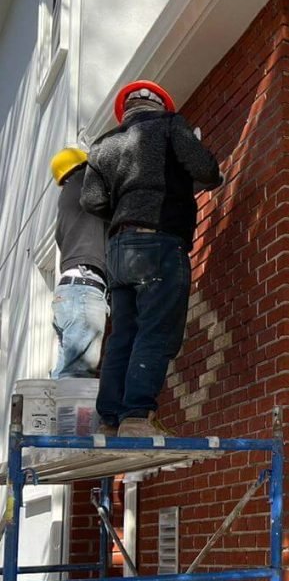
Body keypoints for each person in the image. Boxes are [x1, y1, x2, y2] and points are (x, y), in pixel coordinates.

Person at [80, 80, 222, 437]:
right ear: (161, 105)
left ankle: (110, 420)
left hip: (118, 249)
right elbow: (205, 170)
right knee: (157, 330)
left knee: (123, 334)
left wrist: (126, 201)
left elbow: (92, 201)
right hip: (158, 240)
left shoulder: (103, 145)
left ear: (125, 111)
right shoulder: (171, 125)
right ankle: (137, 417)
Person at [49, 148, 109, 379]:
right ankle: (68, 418)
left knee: (64, 374)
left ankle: (54, 416)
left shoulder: (66, 201)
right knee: (78, 373)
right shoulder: (86, 182)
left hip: (68, 293)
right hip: (84, 288)